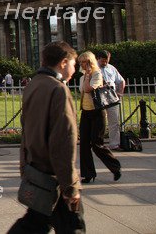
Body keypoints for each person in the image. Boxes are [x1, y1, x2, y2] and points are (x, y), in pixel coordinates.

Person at [8, 41, 85, 233]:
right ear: (63, 63)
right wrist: (70, 185)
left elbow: (26, 131)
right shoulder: (58, 89)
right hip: (54, 175)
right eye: (74, 64)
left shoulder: (34, 84)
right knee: (72, 226)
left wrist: (24, 165)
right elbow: (63, 140)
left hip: (36, 167)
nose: (75, 69)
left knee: (35, 223)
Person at [77, 51, 121, 184]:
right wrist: (85, 75)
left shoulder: (97, 74)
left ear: (89, 62)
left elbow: (88, 89)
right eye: (80, 62)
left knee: (97, 144)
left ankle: (115, 167)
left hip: (97, 112)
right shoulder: (82, 76)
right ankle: (88, 174)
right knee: (84, 144)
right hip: (86, 112)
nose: (81, 65)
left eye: (83, 62)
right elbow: (82, 91)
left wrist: (89, 74)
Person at [96, 50, 126, 150]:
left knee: (114, 121)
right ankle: (98, 144)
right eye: (103, 61)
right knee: (100, 122)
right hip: (99, 96)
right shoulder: (93, 68)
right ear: (98, 59)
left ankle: (115, 144)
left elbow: (121, 81)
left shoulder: (111, 68)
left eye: (107, 61)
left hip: (112, 96)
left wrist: (120, 93)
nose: (105, 63)